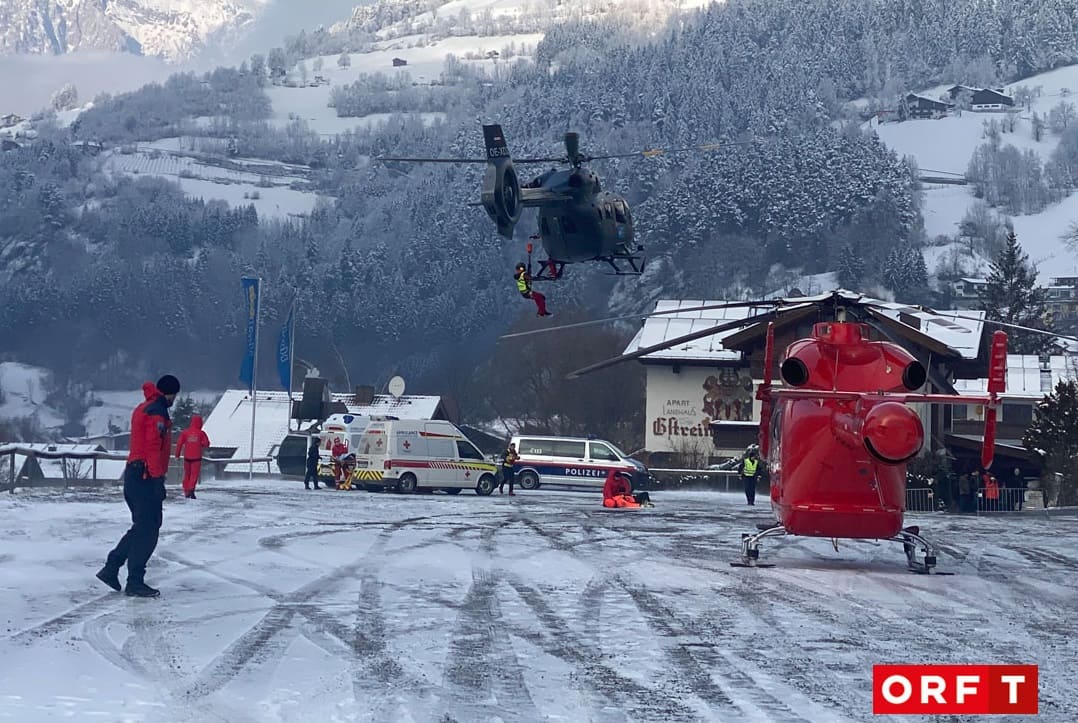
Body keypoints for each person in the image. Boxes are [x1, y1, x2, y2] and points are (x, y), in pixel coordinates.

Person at [97, 374, 180, 598]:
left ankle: (112, 567)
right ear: (170, 393)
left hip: (135, 474)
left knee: (142, 526)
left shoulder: (145, 407)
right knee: (148, 530)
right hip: (144, 476)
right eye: (174, 395)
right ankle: (134, 581)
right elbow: (154, 447)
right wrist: (156, 479)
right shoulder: (157, 412)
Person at [174, 414, 210, 499]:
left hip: (187, 458)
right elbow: (206, 444)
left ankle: (186, 491)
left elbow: (179, 443)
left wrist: (177, 455)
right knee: (194, 475)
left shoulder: (185, 432)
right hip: (196, 458)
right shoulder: (201, 433)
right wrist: (200, 444)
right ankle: (191, 489)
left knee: (187, 474)